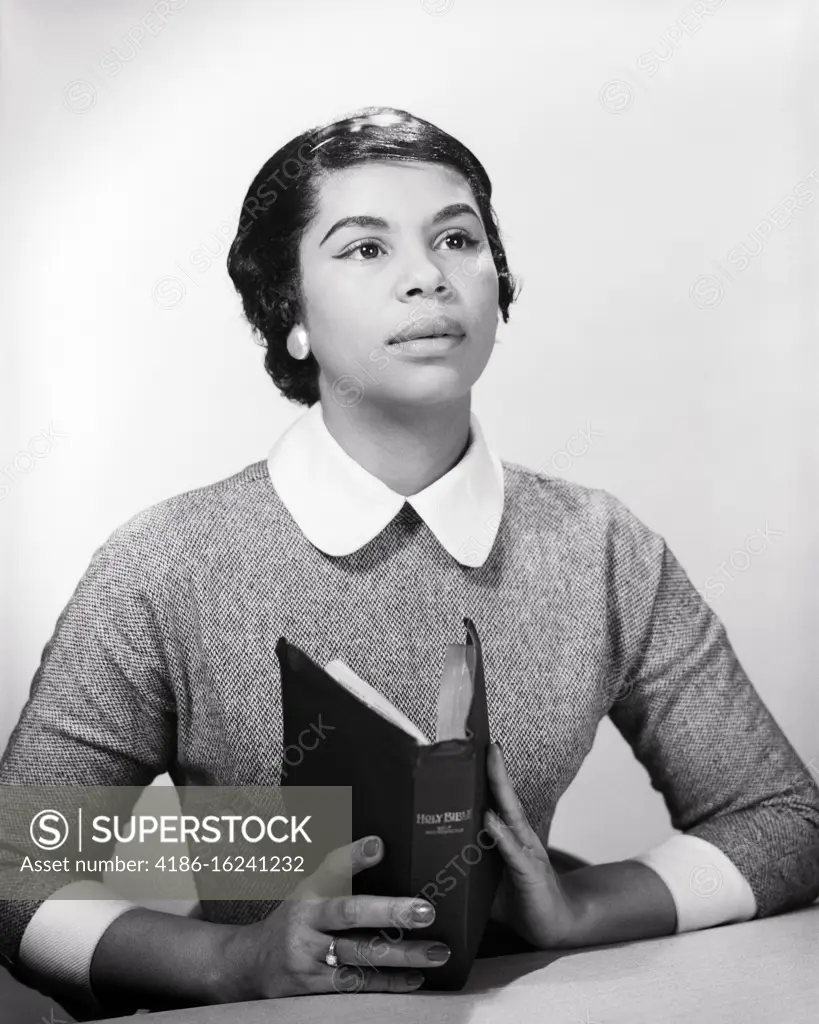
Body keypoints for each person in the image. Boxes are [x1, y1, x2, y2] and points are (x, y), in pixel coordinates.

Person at [1, 106, 817, 1020]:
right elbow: (14, 873)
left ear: (497, 289)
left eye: (457, 239)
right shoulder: (165, 565)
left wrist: (580, 907)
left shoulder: (598, 545)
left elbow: (783, 822)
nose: (428, 277)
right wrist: (235, 962)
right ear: (288, 314)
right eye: (363, 249)